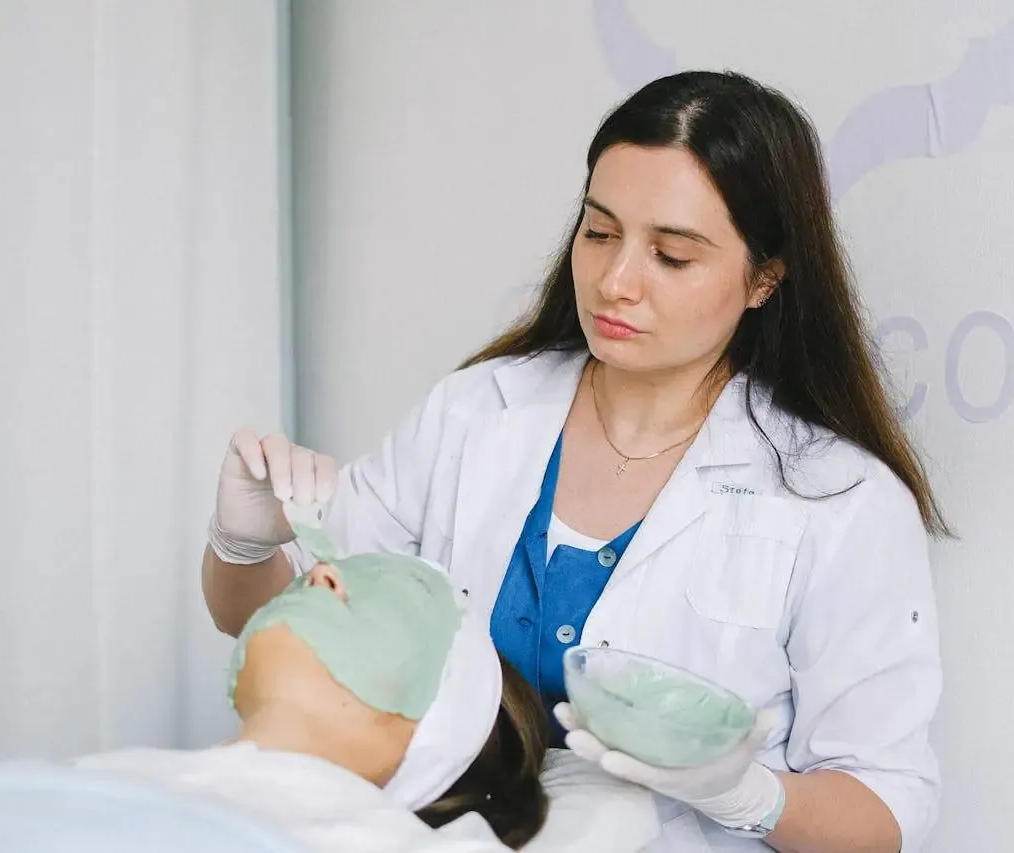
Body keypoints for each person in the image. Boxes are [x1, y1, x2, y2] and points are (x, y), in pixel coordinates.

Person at [203, 70, 946, 853]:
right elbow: (284, 628)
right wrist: (246, 542)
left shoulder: (839, 499)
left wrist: (742, 793)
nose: (615, 282)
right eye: (599, 233)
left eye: (671, 255)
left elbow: (885, 812)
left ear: (764, 277)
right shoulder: (475, 412)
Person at [0, 557, 562, 853]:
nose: (319, 572)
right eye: (334, 565)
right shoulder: (90, 777)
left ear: (434, 718)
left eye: (394, 599)